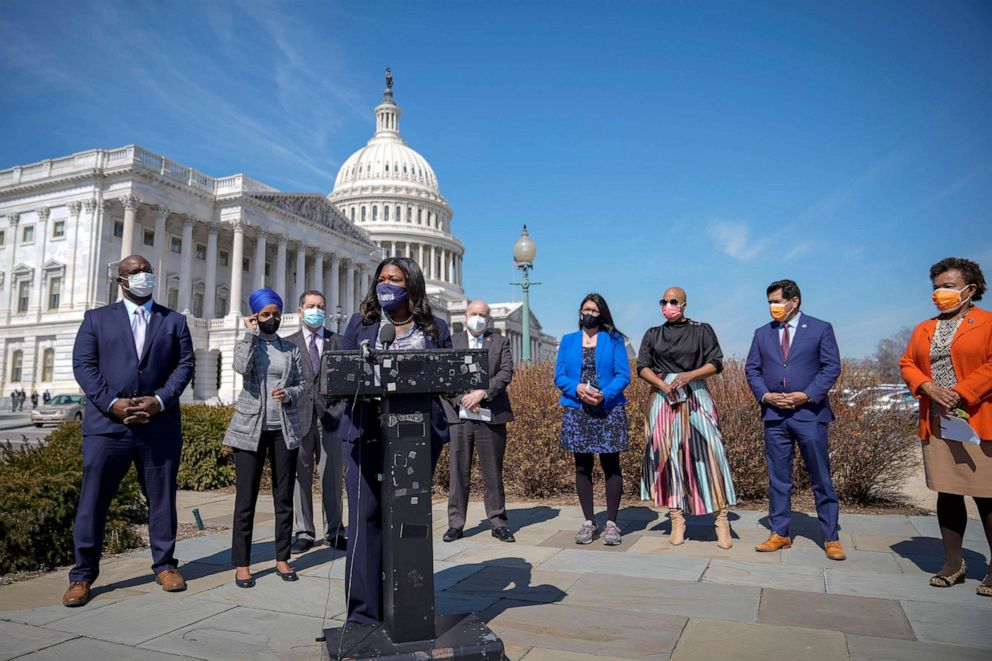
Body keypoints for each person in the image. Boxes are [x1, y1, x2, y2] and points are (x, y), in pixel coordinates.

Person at [65, 254, 194, 607]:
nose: (143, 276)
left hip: (159, 426)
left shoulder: (175, 321)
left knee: (162, 501)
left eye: (147, 271)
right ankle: (82, 575)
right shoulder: (96, 320)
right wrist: (113, 404)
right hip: (108, 427)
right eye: (135, 272)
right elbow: (84, 366)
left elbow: (185, 366)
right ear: (121, 280)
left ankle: (165, 565)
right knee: (93, 501)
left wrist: (159, 400)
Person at [339, 256, 452, 626]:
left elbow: (448, 378)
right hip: (364, 432)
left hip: (417, 436)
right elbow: (336, 372)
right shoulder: (361, 323)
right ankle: (363, 614)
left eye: (396, 279)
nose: (387, 285)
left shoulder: (435, 329)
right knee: (365, 519)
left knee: (407, 518)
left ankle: (407, 606)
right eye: (382, 278)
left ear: (412, 285)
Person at [899, 257, 992, 597]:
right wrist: (925, 386)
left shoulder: (987, 323)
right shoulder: (925, 328)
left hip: (978, 421)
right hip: (938, 421)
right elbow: (907, 362)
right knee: (948, 492)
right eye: (937, 287)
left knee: (987, 496)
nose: (940, 293)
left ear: (971, 289)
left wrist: (961, 393)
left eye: (948, 286)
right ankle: (954, 563)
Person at [745, 279, 845, 560]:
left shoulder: (820, 328)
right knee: (779, 478)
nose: (772, 307)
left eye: (777, 301)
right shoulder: (762, 333)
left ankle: (830, 536)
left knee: (820, 477)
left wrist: (807, 394)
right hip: (775, 416)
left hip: (809, 414)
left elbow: (831, 367)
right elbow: (752, 370)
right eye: (769, 302)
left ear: (794, 301)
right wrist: (766, 396)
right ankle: (780, 532)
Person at [638, 287, 737, 549]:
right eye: (663, 301)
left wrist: (691, 375)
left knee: (710, 455)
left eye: (673, 301)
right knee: (668, 457)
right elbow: (642, 366)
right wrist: (662, 385)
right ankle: (677, 519)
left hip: (695, 396)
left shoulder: (701, 330)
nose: (667, 306)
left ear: (684, 304)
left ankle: (722, 520)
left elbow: (716, 362)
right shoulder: (653, 334)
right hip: (663, 399)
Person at [223, 288, 305, 588]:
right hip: (248, 430)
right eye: (266, 314)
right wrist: (249, 335)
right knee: (246, 499)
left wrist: (289, 393)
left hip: (283, 428)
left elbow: (301, 384)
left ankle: (282, 558)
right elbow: (240, 368)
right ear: (255, 316)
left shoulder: (290, 348)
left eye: (276, 314)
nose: (272, 319)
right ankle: (242, 564)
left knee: (283, 498)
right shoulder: (248, 343)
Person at [554, 293, 631, 546]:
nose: (589, 314)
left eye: (595, 310)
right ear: (579, 313)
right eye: (586, 309)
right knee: (582, 466)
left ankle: (611, 523)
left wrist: (603, 395)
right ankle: (589, 521)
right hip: (578, 409)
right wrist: (576, 388)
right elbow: (559, 375)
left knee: (611, 466)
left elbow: (623, 375)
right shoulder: (568, 341)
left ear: (603, 314)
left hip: (607, 409)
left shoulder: (615, 339)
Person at [441, 299, 516, 543]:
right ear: (465, 315)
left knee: (492, 472)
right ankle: (456, 524)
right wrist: (463, 399)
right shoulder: (452, 342)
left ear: (489, 318)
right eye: (474, 313)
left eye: (483, 314)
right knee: (458, 473)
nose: (478, 318)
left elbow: (505, 373)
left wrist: (482, 393)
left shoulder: (500, 342)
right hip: (460, 417)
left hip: (490, 415)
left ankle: (497, 521)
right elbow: (444, 376)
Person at [287, 290, 348, 554]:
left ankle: (334, 531)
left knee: (332, 477)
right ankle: (304, 531)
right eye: (311, 306)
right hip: (299, 419)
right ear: (300, 311)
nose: (316, 310)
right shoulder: (287, 344)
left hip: (330, 420)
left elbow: (349, 383)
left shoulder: (340, 342)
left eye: (320, 306)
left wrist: (340, 410)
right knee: (300, 478)